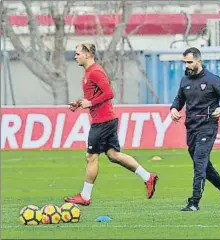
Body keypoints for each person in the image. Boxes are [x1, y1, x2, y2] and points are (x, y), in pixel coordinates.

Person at [64, 42, 158, 206]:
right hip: (107, 120)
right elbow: (94, 96)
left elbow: (109, 93)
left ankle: (85, 197)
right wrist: (80, 103)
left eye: (78, 53)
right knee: (113, 155)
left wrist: (91, 103)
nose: (75, 56)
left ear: (88, 54)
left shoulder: (95, 72)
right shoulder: (88, 73)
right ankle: (147, 177)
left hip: (103, 121)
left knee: (91, 156)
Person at [170, 47, 220, 211]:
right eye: (185, 62)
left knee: (199, 163)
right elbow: (179, 100)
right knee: (205, 166)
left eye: (190, 62)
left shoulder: (212, 79)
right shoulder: (184, 80)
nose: (187, 65)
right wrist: (173, 109)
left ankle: (194, 201)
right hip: (191, 128)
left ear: (199, 61)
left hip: (208, 126)